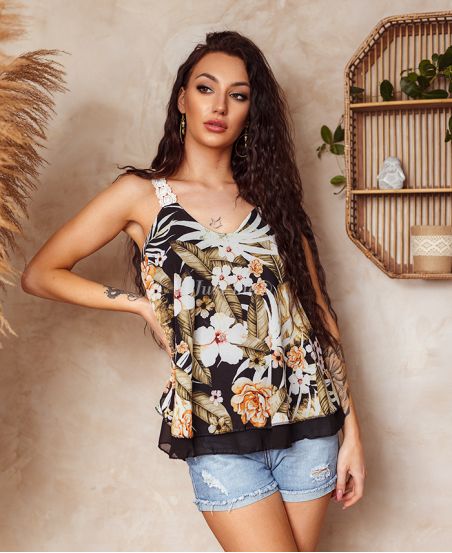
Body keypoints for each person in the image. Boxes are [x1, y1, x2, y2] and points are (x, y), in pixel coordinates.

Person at [22, 30, 366, 552]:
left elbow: (316, 314)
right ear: (182, 99)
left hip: (311, 421)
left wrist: (353, 433)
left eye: (238, 95)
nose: (220, 106)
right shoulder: (141, 196)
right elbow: (41, 273)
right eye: (206, 88)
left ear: (251, 112)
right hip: (215, 426)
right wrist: (139, 305)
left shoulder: (272, 200)